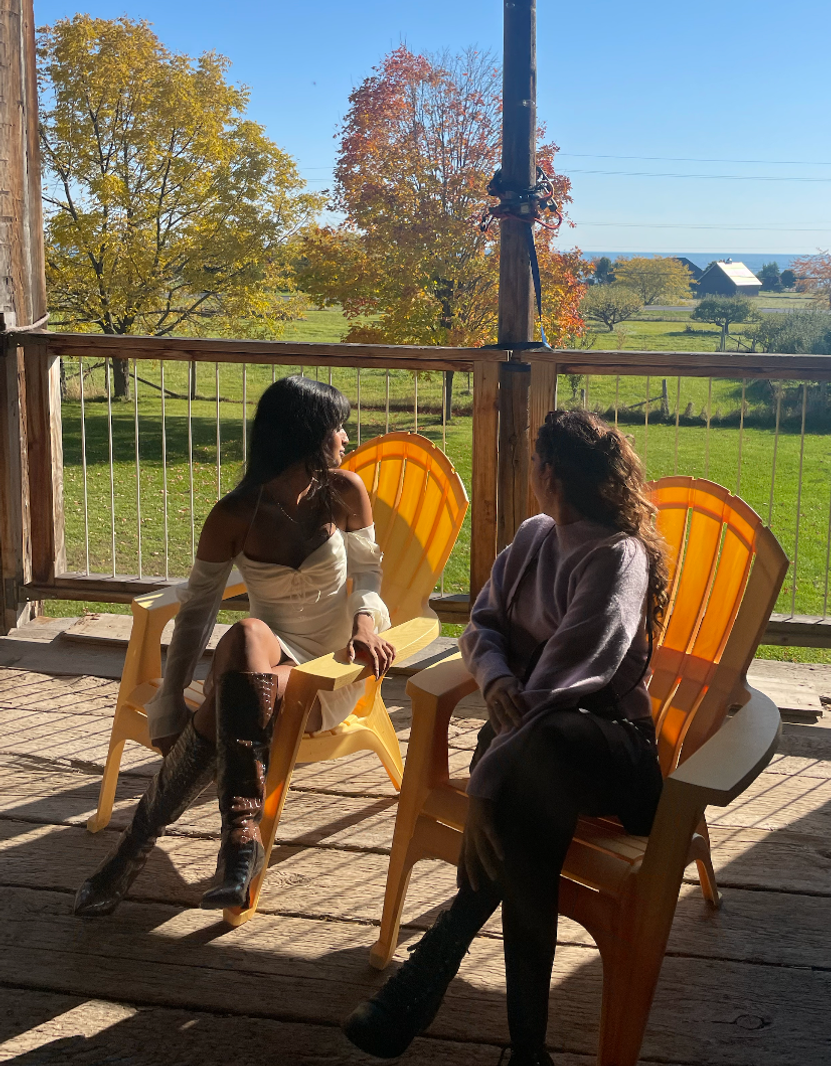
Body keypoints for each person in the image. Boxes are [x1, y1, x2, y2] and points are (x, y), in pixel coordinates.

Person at [344, 409, 669, 1066]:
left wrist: (485, 789)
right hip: (528, 755)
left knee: (529, 764)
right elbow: (481, 627)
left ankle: (435, 962)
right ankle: (526, 1051)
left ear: (550, 472)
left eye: (532, 463)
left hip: (613, 756)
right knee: (526, 824)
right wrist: (491, 677)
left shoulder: (617, 558)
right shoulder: (533, 538)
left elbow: (567, 683)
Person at [74, 375, 395, 917]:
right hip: (267, 650)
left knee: (231, 696)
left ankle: (132, 850)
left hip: (332, 664)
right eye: (335, 428)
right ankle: (241, 843)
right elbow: (198, 612)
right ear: (305, 438)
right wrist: (170, 701)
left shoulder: (344, 491)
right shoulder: (234, 514)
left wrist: (365, 619)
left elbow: (367, 573)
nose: (345, 437)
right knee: (245, 634)